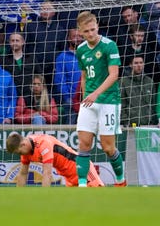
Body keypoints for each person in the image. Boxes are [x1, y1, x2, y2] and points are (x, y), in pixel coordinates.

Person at [74, 11, 126, 187]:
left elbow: (114, 75)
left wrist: (95, 93)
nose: (91, 34)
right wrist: (84, 97)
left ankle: (120, 180)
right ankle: (82, 185)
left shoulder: (109, 45)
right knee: (84, 144)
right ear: (80, 32)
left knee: (108, 147)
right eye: (87, 31)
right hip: (89, 102)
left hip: (109, 101)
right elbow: (83, 77)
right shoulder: (80, 50)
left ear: (97, 27)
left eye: (93, 29)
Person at [6, 132, 104, 187]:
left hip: (81, 168)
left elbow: (47, 173)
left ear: (23, 144)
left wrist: (45, 197)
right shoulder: (26, 150)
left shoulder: (43, 143)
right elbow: (23, 173)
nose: (20, 155)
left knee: (99, 198)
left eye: (19, 152)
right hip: (68, 177)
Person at [53, 28, 83, 124]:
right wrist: (68, 97)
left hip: (88, 97)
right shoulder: (62, 57)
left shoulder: (88, 54)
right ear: (68, 38)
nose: (77, 39)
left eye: (80, 36)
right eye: (74, 36)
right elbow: (60, 80)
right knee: (70, 127)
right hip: (71, 99)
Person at [120, 56, 159, 127]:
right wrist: (125, 122)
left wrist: (154, 121)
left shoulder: (149, 81)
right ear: (130, 65)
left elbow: (153, 104)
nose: (139, 65)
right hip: (130, 125)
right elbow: (121, 104)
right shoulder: (123, 82)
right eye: (136, 63)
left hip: (148, 125)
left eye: (141, 63)